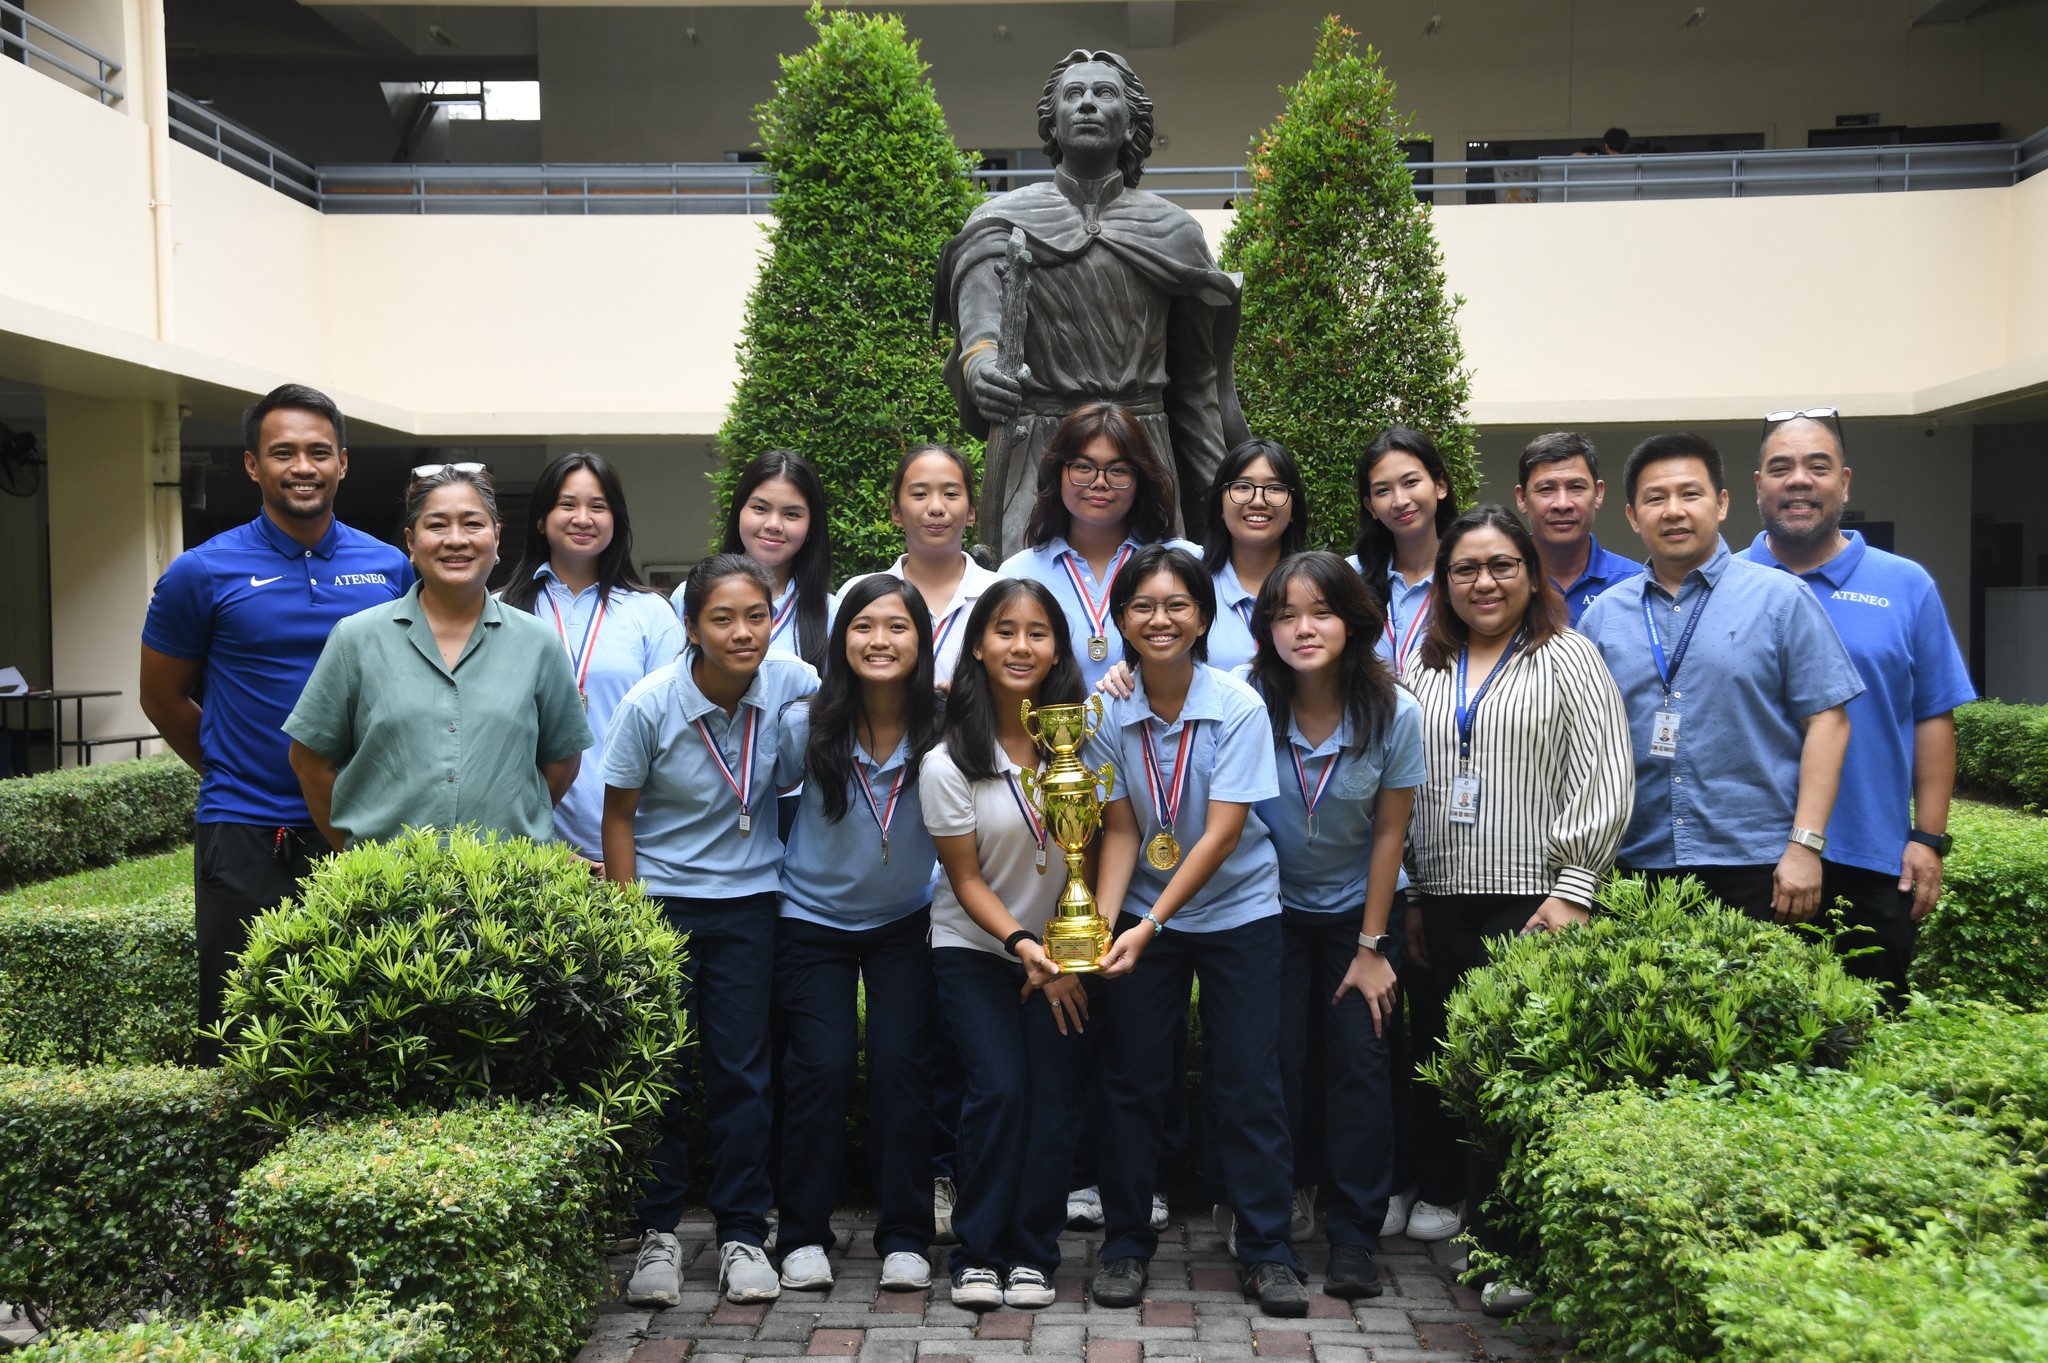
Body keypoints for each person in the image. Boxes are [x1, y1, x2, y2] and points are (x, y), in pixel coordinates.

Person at [1401, 505, 1634, 1315]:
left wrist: (1575, 888)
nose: (1484, 582)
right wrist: (1411, 893)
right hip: (1441, 898)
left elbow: (1603, 774)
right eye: (1465, 568)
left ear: (1532, 575)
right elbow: (1401, 785)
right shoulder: (1425, 664)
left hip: (1534, 901)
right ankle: (1469, 1214)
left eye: (1502, 565)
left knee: (1518, 1076)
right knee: (1453, 1068)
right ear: (1444, 582)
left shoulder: (1568, 656)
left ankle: (1517, 1247)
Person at [140, 383, 413, 1061]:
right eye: (283, 452)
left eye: (319, 451)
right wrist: (234, 770)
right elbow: (163, 699)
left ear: (343, 462)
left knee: (369, 1026)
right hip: (246, 830)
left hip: (365, 828)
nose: (302, 466)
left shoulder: (389, 567)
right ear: (252, 465)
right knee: (242, 1027)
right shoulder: (201, 571)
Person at [1084, 544, 1310, 1317]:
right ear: (1121, 620)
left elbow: (1221, 834)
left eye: (1177, 604)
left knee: (1248, 1077)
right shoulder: (1105, 712)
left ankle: (1267, 1249)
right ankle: (1124, 1243)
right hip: (1145, 908)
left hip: (1239, 907)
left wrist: (1148, 922)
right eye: (1143, 606)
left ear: (1204, 617)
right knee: (1132, 1078)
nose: (1161, 619)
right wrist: (1104, 927)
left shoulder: (1238, 704)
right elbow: (1120, 829)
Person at [603, 554, 820, 1308]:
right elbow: (619, 816)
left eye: (756, 616)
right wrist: (630, 924)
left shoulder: (794, 681)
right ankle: (658, 1233)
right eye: (722, 619)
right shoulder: (651, 702)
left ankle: (741, 1232)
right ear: (691, 628)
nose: (742, 632)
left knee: (742, 1072)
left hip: (752, 904)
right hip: (661, 905)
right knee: (661, 1068)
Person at [935, 48, 1247, 558]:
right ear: (1052, 124)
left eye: (1104, 94)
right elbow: (981, 325)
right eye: (1073, 95)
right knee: (1026, 591)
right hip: (1037, 452)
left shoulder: (1173, 230)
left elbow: (1194, 384)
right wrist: (982, 368)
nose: (1086, 104)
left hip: (1142, 452)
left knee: (1154, 593)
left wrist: (1219, 507)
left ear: (1131, 125)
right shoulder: (1002, 221)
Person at [1579, 434, 1864, 923]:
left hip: (1757, 864)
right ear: (1632, 516)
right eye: (1655, 498)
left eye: (1690, 494)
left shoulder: (1782, 599)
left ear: (1723, 503)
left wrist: (1804, 846)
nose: (1674, 511)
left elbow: (1828, 722)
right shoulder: (1603, 617)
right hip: (1633, 866)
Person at [1741, 407, 1974, 1005]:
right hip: (1745, 859)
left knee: (1871, 1038)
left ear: (1844, 482)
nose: (1799, 480)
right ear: (1758, 485)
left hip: (1871, 860)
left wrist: (1928, 838)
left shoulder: (1906, 584)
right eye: (1781, 468)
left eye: (1818, 467)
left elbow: (1933, 716)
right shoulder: (1723, 583)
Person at [1244, 551, 1424, 1300]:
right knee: (1272, 1062)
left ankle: (1354, 1234)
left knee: (1360, 1063)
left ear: (1353, 622)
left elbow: (1390, 833)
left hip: (1359, 909)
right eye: (1285, 615)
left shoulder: (1394, 711)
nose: (1304, 629)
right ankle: (1272, 1224)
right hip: (1269, 909)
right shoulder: (1248, 702)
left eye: (1321, 612)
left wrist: (1373, 947)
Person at [921, 579, 1097, 1312]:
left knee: (1052, 1098)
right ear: (978, 647)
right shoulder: (949, 759)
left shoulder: (1082, 743)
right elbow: (965, 880)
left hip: (1063, 954)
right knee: (998, 1089)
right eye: (1004, 630)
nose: (1021, 646)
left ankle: (1033, 1252)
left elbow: (1101, 848)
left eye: (1037, 632)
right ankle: (977, 1252)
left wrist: (1066, 956)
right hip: (976, 947)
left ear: (1058, 648)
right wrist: (1025, 945)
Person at [772, 575, 943, 1294]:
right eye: (863, 626)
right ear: (841, 639)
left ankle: (904, 1234)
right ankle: (802, 1233)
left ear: (921, 640)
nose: (880, 640)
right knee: (822, 1066)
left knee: (903, 1068)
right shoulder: (806, 723)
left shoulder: (945, 723)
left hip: (906, 922)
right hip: (810, 919)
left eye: (897, 627)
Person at [283, 464, 589, 850]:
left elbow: (562, 761)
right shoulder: (356, 639)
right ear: (411, 542)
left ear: (496, 537)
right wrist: (358, 850)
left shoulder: (539, 643)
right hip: (389, 880)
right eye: (437, 525)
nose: (456, 540)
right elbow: (309, 762)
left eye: (472, 524)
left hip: (502, 880)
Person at [498, 452, 683, 862]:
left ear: (616, 521)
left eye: (598, 506)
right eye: (567, 504)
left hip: (635, 846)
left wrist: (623, 855)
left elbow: (673, 732)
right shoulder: (499, 611)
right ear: (541, 519)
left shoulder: (652, 613)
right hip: (525, 847)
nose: (583, 518)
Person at [999, 402, 1197, 694]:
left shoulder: (1185, 560)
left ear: (1140, 478)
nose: (1100, 482)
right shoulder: (1018, 573)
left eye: (1118, 470)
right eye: (1083, 467)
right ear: (1057, 473)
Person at [835, 444, 997, 685]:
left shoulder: (1000, 596)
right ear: (896, 512)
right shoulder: (858, 594)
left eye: (951, 494)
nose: (936, 508)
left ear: (971, 512)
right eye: (920, 494)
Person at [686, 451, 833, 669]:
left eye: (792, 514)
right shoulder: (689, 595)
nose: (773, 525)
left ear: (812, 525)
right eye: (760, 508)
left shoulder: (832, 613)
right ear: (738, 512)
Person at [1348, 427, 1458, 673]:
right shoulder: (1350, 576)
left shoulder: (1467, 574)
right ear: (1371, 506)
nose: (1400, 501)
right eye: (1383, 491)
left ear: (1440, 485)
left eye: (1410, 482)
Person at [1200, 438, 1310, 674]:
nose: (1258, 501)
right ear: (1220, 504)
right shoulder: (1193, 584)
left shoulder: (1319, 586)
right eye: (1242, 487)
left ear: (1294, 508)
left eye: (1275, 488)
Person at [1512, 432, 1643, 625]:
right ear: (1522, 498)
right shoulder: (1503, 581)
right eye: (1546, 489)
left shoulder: (1637, 584)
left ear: (1598, 494)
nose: (1562, 504)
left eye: (1576, 487)